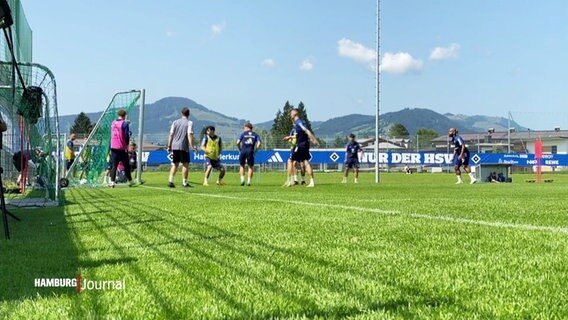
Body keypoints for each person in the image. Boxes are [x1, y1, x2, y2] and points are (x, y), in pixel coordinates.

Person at [286, 108, 318, 187]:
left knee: (290, 161)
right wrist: (290, 137)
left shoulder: (298, 122)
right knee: (306, 162)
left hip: (300, 145)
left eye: (291, 114)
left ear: (294, 114)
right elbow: (300, 134)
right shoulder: (301, 122)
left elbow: (306, 130)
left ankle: (289, 181)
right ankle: (312, 181)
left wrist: (313, 139)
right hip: (305, 145)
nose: (290, 115)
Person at [166, 107, 195, 188]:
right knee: (185, 164)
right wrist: (192, 146)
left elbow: (171, 134)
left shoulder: (175, 122)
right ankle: (185, 182)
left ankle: (171, 181)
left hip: (175, 146)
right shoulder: (189, 123)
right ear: (189, 114)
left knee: (175, 164)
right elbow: (189, 134)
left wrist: (169, 145)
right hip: (183, 146)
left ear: (181, 113)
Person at [109, 109, 132, 187]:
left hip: (113, 146)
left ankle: (112, 182)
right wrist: (127, 144)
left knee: (114, 165)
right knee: (126, 165)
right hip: (121, 147)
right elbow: (126, 136)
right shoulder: (124, 124)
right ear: (124, 115)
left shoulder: (113, 123)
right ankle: (130, 181)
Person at [236, 122, 261, 186]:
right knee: (250, 166)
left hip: (243, 151)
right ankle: (249, 182)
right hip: (250, 151)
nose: (244, 129)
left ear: (247, 127)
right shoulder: (256, 135)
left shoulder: (243, 134)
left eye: (244, 128)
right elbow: (259, 144)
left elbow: (237, 142)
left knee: (242, 165)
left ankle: (242, 180)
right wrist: (256, 151)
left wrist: (239, 149)